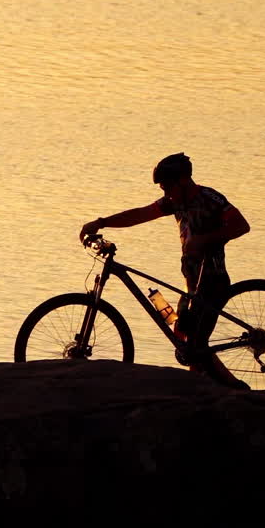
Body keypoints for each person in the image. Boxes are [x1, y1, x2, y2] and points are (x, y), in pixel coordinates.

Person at [79, 153, 251, 388]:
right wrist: (101, 222)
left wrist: (203, 240)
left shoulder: (210, 198)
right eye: (162, 188)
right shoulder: (174, 201)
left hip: (212, 279)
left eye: (167, 186)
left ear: (183, 180)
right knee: (181, 334)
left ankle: (236, 388)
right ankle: (202, 385)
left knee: (196, 345)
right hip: (191, 281)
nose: (165, 193)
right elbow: (140, 214)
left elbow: (241, 225)